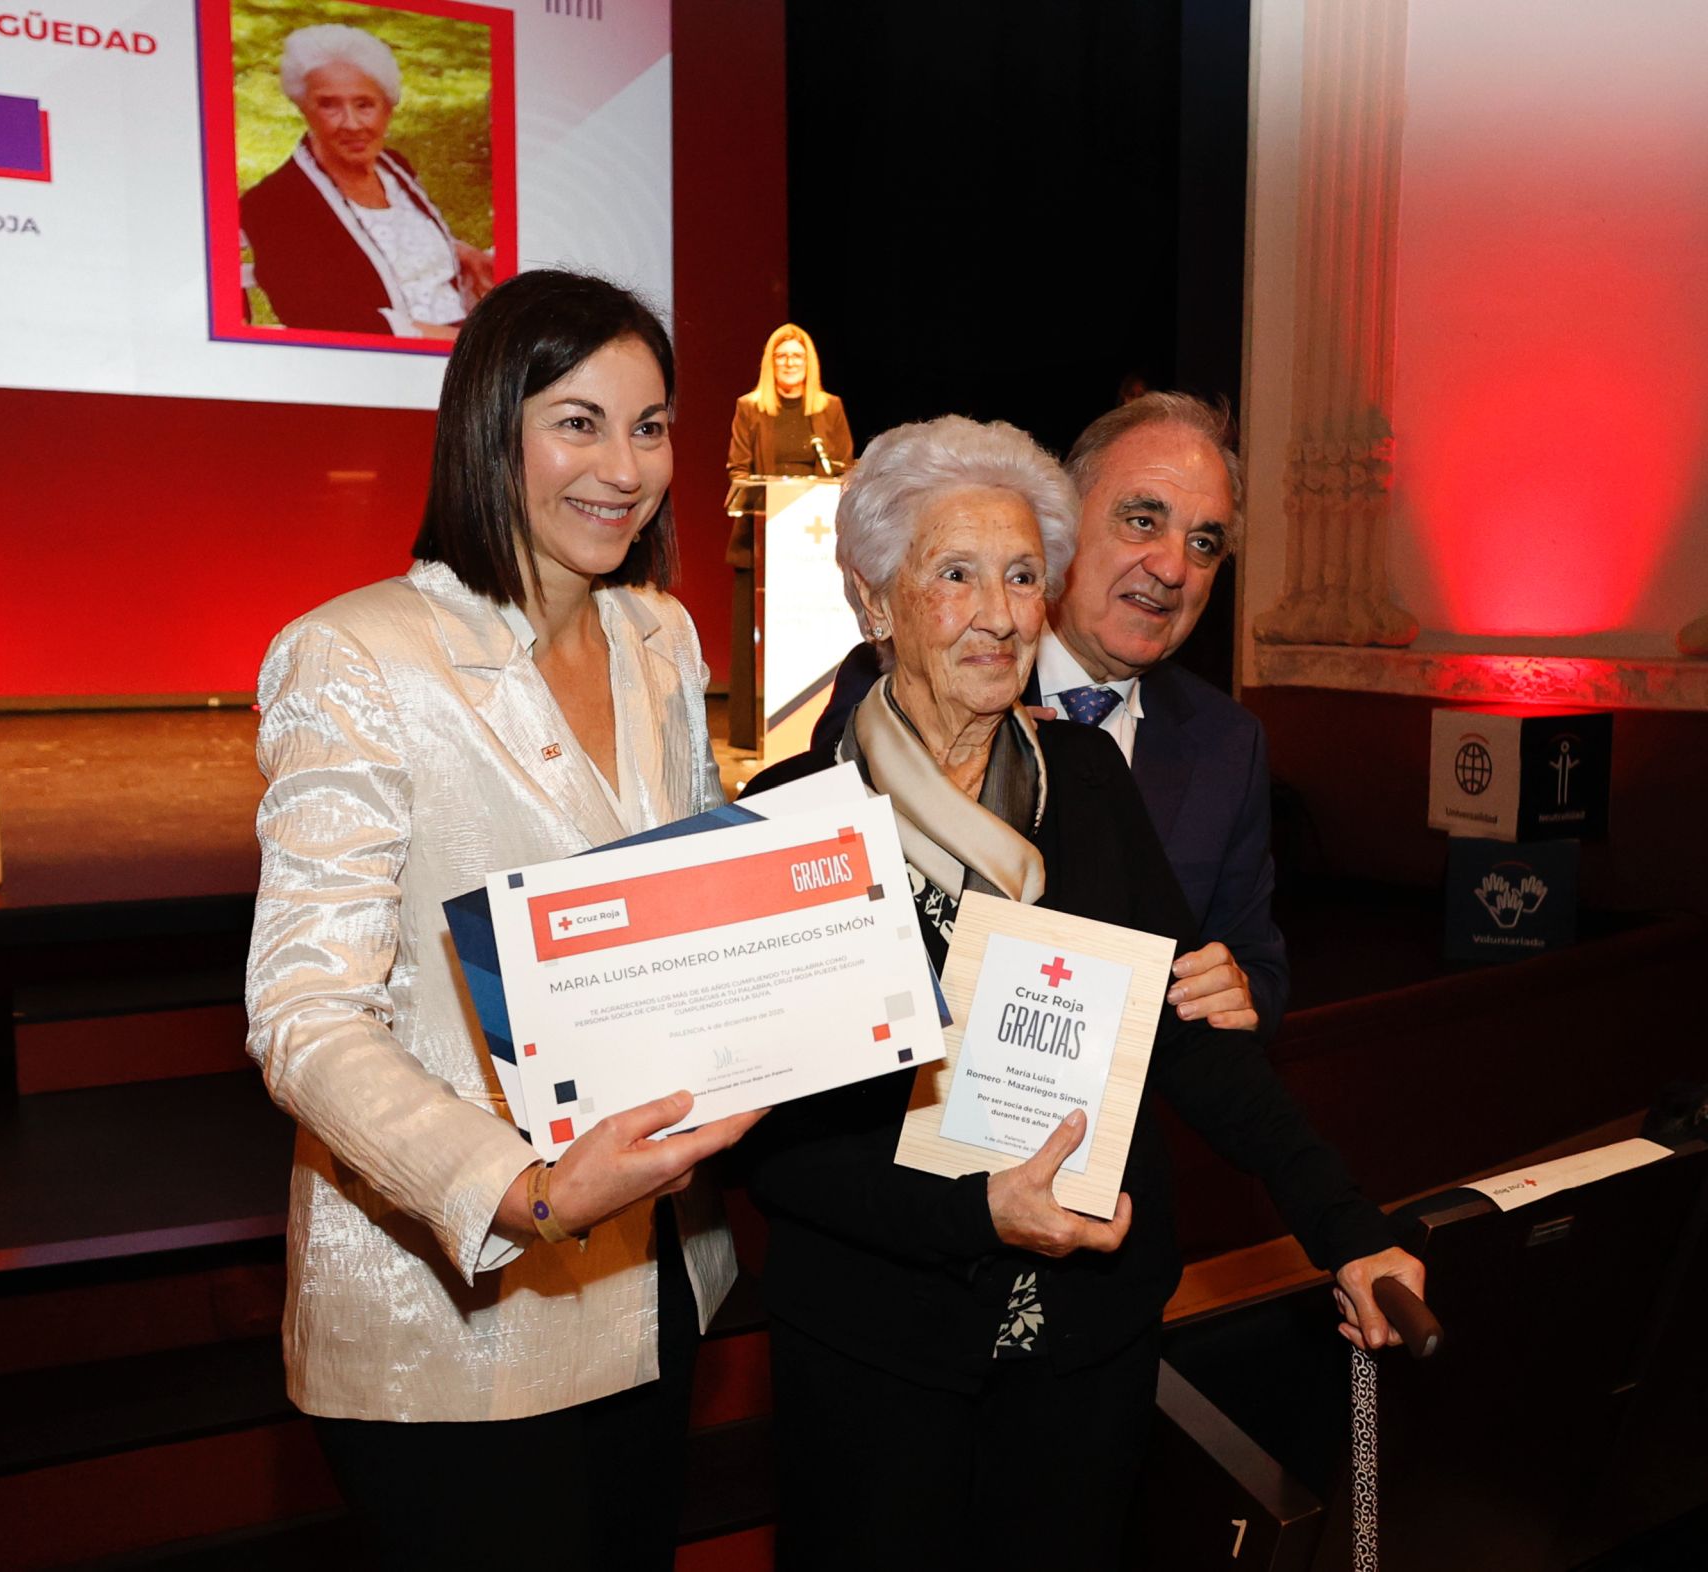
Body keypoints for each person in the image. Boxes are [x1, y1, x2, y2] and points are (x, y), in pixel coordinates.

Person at [742, 414, 1423, 1569]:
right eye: (955, 574)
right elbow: (775, 1150)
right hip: (877, 1353)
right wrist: (978, 1213)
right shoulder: (792, 819)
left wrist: (1347, 1230)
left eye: (1021, 576)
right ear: (875, 599)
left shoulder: (1090, 784)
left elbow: (1188, 1038)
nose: (1001, 613)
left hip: (1082, 1344)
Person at [245, 269, 760, 1571]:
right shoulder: (357, 656)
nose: (625, 467)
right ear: (492, 429)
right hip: (457, 1318)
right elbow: (303, 1013)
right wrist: (518, 1189)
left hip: (654, 1282)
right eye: (578, 422)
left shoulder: (660, 639)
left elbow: (687, 912)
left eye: (651, 427)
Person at [811, 393, 1286, 1039]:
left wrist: (1235, 988)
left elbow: (1255, 963)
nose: (1173, 567)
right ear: (1064, 521)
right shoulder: (904, 683)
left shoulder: (1229, 744)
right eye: (1143, 520)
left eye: (1203, 543)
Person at [240, 24, 493, 339]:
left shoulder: (393, 167)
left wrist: (458, 250)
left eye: (364, 104)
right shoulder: (274, 203)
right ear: (303, 107)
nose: (351, 123)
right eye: (329, 104)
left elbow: (382, 241)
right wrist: (467, 344)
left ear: (388, 108)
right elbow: (318, 316)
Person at [723, 324, 854, 746]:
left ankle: (820, 730)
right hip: (763, 540)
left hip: (814, 548)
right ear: (770, 364)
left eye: (797, 357)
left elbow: (846, 468)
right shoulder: (750, 407)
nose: (790, 364)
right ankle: (754, 737)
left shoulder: (829, 408)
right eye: (781, 358)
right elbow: (738, 471)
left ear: (809, 363)